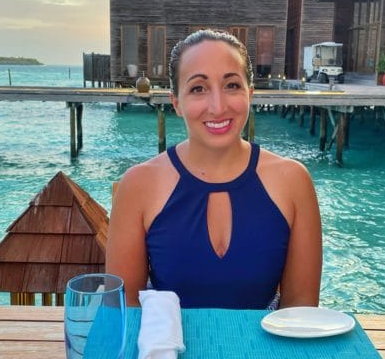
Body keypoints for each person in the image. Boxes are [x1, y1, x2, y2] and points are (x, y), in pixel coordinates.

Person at [106, 29, 322, 309]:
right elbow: (124, 310)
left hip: (263, 351)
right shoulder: (138, 185)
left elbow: (300, 311)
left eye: (231, 85)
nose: (218, 107)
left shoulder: (293, 181)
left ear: (250, 94)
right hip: (166, 352)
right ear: (176, 103)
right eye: (198, 88)